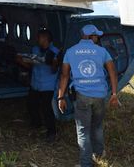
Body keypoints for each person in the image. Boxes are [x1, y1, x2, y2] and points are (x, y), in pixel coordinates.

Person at [58, 24, 119, 167]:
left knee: (83, 130)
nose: (98, 38)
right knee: (97, 126)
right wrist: (114, 94)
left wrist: (60, 97)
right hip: (100, 95)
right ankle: (98, 153)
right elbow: (112, 72)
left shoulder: (70, 52)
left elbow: (64, 75)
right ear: (90, 36)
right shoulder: (102, 51)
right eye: (96, 35)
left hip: (82, 95)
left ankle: (86, 164)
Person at [16, 28, 60, 142]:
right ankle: (36, 124)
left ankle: (52, 132)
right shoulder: (35, 49)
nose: (37, 39)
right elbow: (31, 66)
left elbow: (55, 71)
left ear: (45, 39)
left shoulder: (55, 51)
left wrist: (54, 63)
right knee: (31, 104)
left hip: (48, 86)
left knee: (47, 109)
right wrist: (21, 62)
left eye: (39, 37)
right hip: (35, 83)